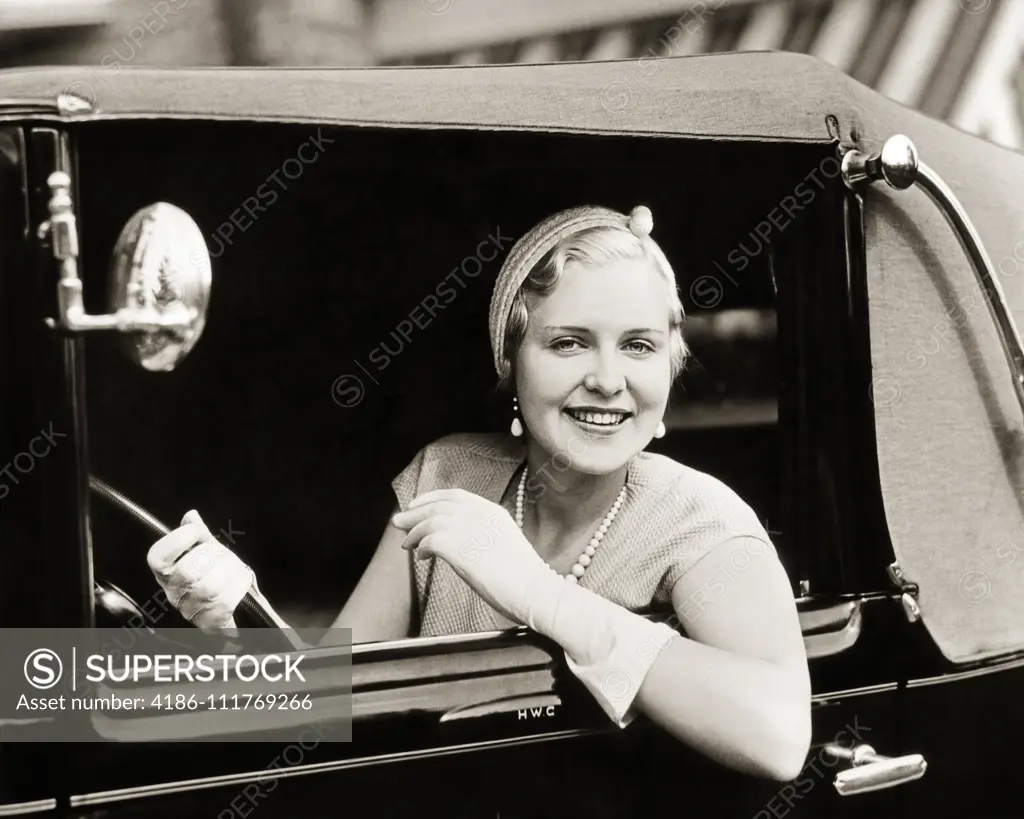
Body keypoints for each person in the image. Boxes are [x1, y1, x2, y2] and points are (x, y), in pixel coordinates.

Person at [148, 204, 811, 781]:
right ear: (511, 364)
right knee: (57, 694)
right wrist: (235, 622)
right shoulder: (448, 473)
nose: (609, 379)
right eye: (569, 342)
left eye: (637, 346)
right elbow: (333, 703)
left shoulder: (698, 518)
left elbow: (778, 734)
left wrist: (537, 591)